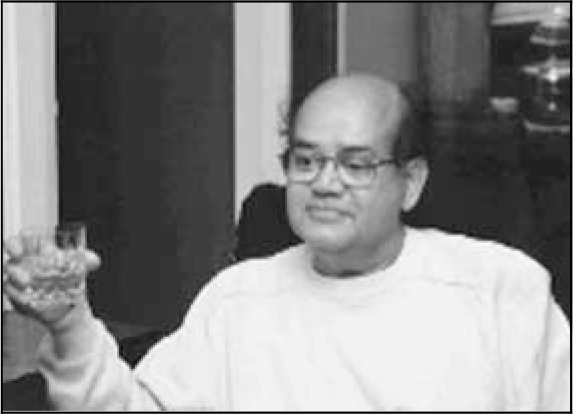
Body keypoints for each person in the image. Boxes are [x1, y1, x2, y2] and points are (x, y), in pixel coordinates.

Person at [3, 73, 570, 411]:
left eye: (356, 164)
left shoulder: (501, 290)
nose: (324, 183)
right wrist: (70, 323)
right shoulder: (237, 300)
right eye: (306, 160)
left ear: (412, 181)